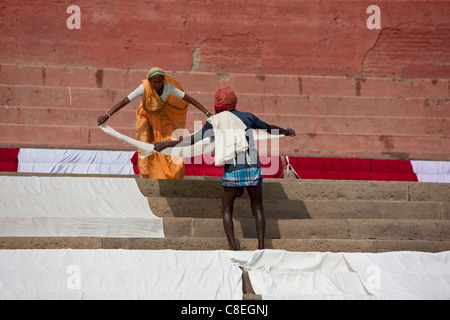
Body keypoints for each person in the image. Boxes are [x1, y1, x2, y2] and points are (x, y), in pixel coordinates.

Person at [154, 87, 295, 250]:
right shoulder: (248, 117)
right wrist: (287, 132)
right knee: (257, 207)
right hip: (253, 168)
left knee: (227, 210)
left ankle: (233, 248)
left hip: (233, 171)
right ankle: (261, 247)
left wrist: (166, 144)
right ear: (234, 103)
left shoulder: (214, 122)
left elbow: (192, 140)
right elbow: (269, 128)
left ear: (217, 106)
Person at [97, 67, 211, 179]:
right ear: (150, 80)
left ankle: (173, 177)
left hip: (161, 118)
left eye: (160, 82)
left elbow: (189, 99)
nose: (157, 85)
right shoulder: (144, 87)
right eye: (154, 82)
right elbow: (124, 101)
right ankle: (146, 178)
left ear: (163, 81)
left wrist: (207, 113)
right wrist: (107, 115)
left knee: (173, 143)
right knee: (144, 144)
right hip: (145, 118)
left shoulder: (168, 87)